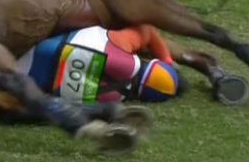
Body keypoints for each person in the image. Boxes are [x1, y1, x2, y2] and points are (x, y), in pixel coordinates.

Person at [15, 25, 179, 105]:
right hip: (19, 75)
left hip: (33, 39)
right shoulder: (112, 101)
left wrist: (167, 60)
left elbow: (147, 30)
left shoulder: (124, 49)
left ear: (147, 61)